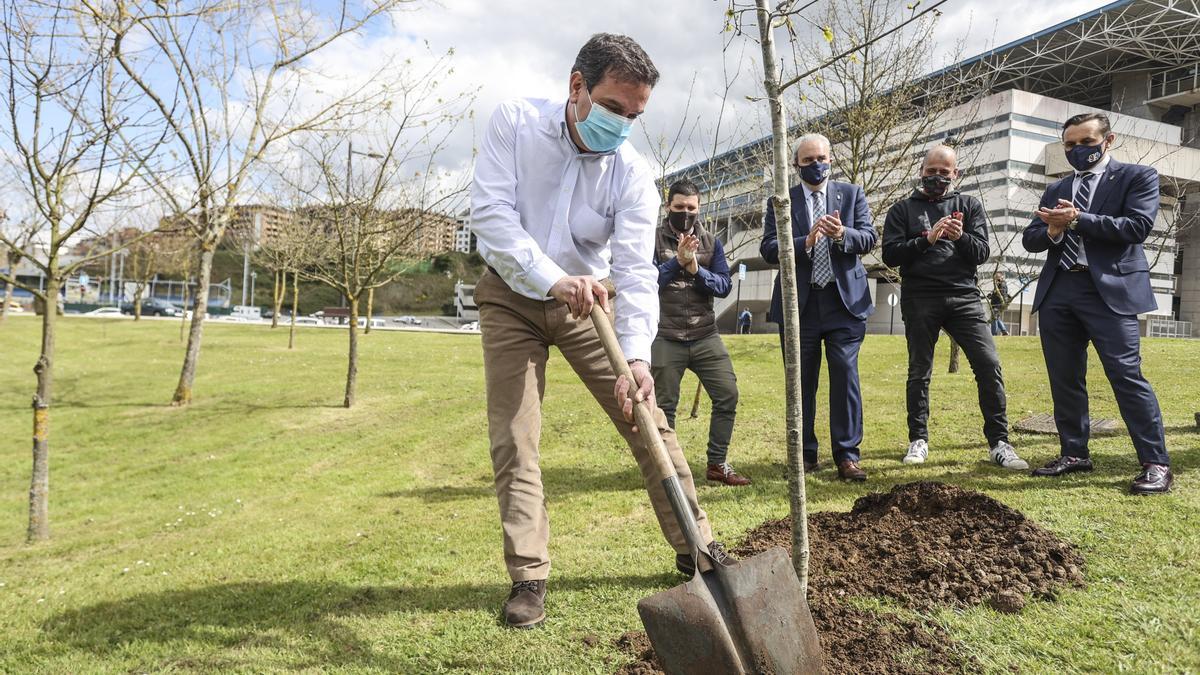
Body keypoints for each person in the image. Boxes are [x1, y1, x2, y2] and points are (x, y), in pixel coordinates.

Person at [470, 34, 731, 630]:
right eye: (615, 109)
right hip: (512, 297)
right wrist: (551, 276)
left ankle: (698, 546)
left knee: (647, 420)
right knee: (515, 437)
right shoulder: (515, 123)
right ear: (577, 87)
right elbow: (490, 217)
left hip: (588, 306)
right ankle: (528, 575)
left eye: (635, 116)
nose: (623, 125)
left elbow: (637, 271)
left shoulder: (633, 174)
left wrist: (637, 358)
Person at [1022, 112, 1172, 495]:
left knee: (1126, 376)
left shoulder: (1137, 177)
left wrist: (1077, 220)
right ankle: (1074, 453)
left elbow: (1136, 227)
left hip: (1110, 292)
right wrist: (1054, 229)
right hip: (1059, 291)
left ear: (1109, 140)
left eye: (1086, 142)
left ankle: (1155, 463)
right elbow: (1031, 238)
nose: (1077, 150)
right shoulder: (1056, 189)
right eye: (1070, 144)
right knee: (1065, 378)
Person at [881, 145, 1027, 470]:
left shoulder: (969, 205)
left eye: (944, 172)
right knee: (920, 370)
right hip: (920, 297)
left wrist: (960, 237)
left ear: (955, 174)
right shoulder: (902, 210)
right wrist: (927, 239)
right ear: (921, 171)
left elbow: (981, 253)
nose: (936, 177)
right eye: (931, 171)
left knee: (989, 365)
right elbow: (890, 255)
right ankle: (918, 439)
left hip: (964, 296)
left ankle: (999, 443)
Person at [761, 133, 876, 481]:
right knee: (801, 381)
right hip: (800, 305)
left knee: (845, 376)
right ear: (796, 164)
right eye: (808, 160)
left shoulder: (852, 194)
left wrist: (843, 235)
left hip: (844, 304)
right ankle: (804, 454)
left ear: (831, 160)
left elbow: (869, 238)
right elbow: (769, 248)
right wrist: (804, 241)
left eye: (822, 158)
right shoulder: (780, 201)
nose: (817, 165)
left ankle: (847, 456)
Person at [651, 179, 749, 487]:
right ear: (668, 207)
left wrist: (695, 270)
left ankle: (717, 463)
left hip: (705, 333)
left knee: (727, 394)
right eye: (679, 207)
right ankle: (667, 471)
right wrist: (676, 263)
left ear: (699, 208)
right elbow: (645, 281)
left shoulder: (711, 242)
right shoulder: (652, 239)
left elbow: (723, 285)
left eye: (691, 208)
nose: (686, 213)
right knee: (664, 407)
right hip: (666, 335)